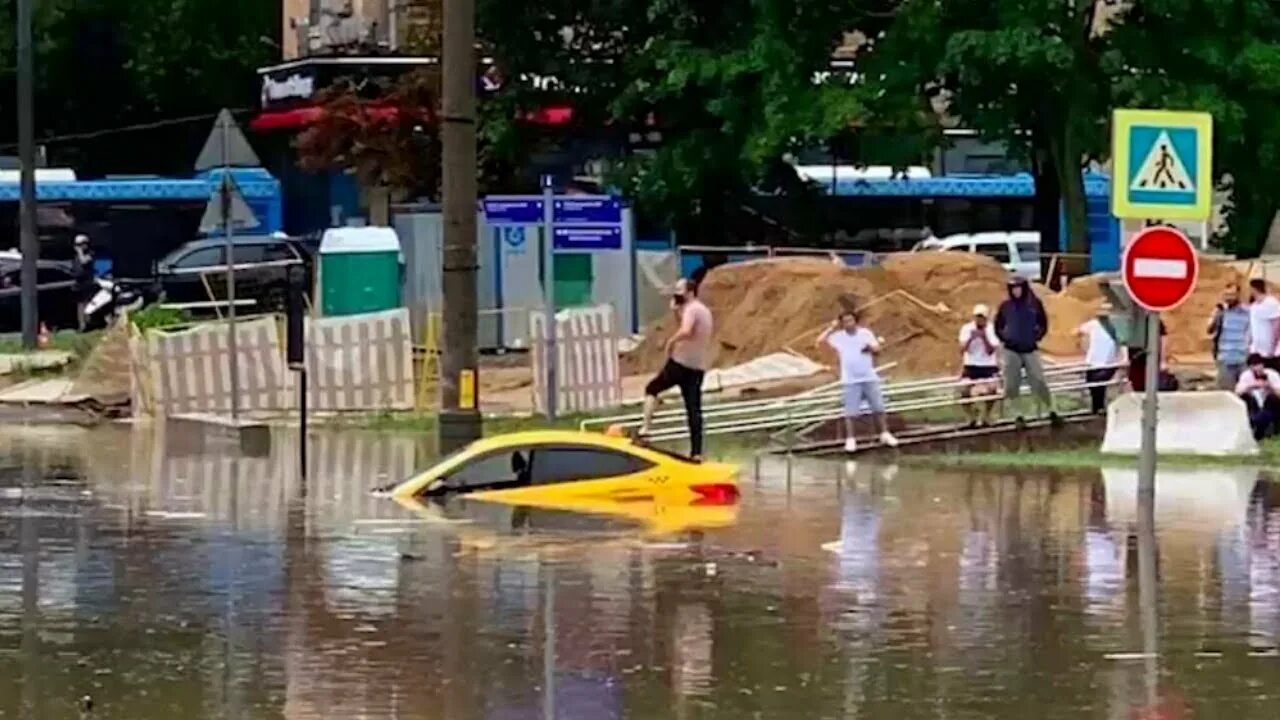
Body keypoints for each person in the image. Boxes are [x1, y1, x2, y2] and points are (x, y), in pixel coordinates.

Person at [640, 276, 713, 460]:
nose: (678, 297)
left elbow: (686, 330)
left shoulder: (691, 309)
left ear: (690, 292)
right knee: (693, 409)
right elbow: (686, 327)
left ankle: (645, 429)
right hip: (697, 367)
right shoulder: (703, 310)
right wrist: (675, 311)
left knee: (652, 388)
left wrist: (671, 341)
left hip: (680, 363)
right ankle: (697, 452)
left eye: (680, 294)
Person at [816, 309, 898, 453]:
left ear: (856, 321)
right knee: (851, 411)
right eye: (845, 321)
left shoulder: (865, 333)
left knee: (878, 407)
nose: (848, 324)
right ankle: (850, 439)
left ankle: (884, 433)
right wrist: (831, 327)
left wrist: (871, 348)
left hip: (868, 376)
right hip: (850, 380)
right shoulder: (838, 336)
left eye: (851, 320)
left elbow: (877, 349)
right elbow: (820, 341)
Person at [994, 277, 1060, 427]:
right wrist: (1005, 338)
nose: (1016, 291)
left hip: (1030, 348)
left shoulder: (1034, 304)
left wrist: (1036, 336)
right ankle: (1018, 415)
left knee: (1039, 380)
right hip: (1011, 349)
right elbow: (997, 325)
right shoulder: (1005, 306)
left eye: (1018, 287)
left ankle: (1052, 410)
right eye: (1013, 288)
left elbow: (1043, 323)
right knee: (1011, 384)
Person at [957, 303, 1001, 428]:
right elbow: (961, 350)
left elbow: (991, 350)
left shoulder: (992, 329)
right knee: (963, 391)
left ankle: (986, 416)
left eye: (982, 318)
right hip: (971, 365)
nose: (979, 320)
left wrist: (984, 337)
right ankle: (971, 417)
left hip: (988, 365)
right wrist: (971, 338)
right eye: (977, 317)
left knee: (992, 390)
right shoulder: (967, 329)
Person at [1077, 303, 1124, 414]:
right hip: (1093, 362)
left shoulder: (1116, 326)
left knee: (1098, 385)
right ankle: (1097, 408)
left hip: (1107, 362)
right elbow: (1078, 331)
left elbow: (1123, 342)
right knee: (1093, 386)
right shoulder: (1094, 324)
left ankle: (1099, 408)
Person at [1208, 286, 1251, 390]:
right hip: (1225, 358)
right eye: (1226, 295)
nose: (1229, 298)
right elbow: (1209, 330)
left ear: (1238, 295)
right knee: (1226, 394)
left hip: (1243, 358)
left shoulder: (1248, 312)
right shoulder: (1221, 311)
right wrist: (1215, 316)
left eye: (1232, 294)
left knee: (1245, 393)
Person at [1236, 353, 1280, 440]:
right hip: (1254, 403)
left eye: (1259, 365)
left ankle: (1268, 428)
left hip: (1270, 405)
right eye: (1254, 366)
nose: (1258, 369)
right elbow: (1237, 393)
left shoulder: (1272, 374)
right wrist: (1251, 386)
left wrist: (1269, 387)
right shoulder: (1246, 376)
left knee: (1272, 398)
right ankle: (1253, 426)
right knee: (1245, 397)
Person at [1127, 317, 1167, 392]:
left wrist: (1163, 361)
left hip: (1151, 360)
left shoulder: (1154, 321)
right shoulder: (1131, 321)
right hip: (1135, 361)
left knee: (1151, 386)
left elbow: (1162, 340)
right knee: (1137, 388)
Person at [1248, 278, 1280, 371]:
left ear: (1253, 289)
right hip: (1257, 350)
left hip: (1270, 351)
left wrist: (1272, 346)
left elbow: (1276, 325)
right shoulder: (1254, 306)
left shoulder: (1271, 303)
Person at [71, 234, 95, 331]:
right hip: (79, 283)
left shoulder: (90, 254)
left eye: (80, 244)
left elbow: (84, 261)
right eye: (77, 245)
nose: (78, 247)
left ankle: (89, 323)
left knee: (88, 304)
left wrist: (80, 252)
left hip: (87, 284)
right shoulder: (76, 257)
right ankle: (82, 325)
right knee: (80, 305)